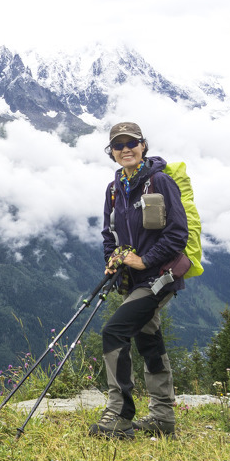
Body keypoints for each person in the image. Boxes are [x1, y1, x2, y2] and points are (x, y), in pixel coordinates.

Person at [89, 121, 189, 439]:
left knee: (115, 331)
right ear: (112, 152)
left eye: (131, 143)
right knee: (149, 339)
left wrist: (145, 260)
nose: (125, 149)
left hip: (159, 277)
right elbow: (110, 233)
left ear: (143, 146)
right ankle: (162, 418)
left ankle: (120, 415)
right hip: (132, 281)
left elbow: (178, 234)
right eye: (118, 145)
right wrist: (112, 260)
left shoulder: (160, 181)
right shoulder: (114, 189)